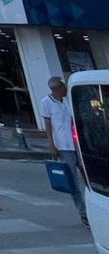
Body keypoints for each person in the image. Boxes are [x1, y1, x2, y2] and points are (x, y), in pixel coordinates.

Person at [41, 75, 88, 227]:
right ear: (56, 89)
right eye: (63, 87)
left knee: (88, 177)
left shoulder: (67, 100)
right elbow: (48, 125)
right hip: (64, 146)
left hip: (78, 144)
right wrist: (51, 144)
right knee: (73, 181)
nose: (65, 90)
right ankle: (83, 212)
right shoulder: (46, 102)